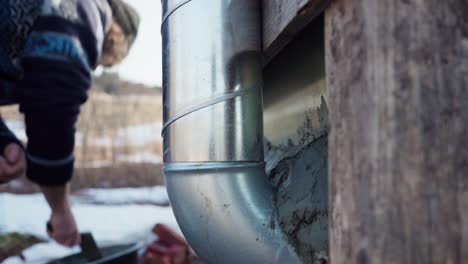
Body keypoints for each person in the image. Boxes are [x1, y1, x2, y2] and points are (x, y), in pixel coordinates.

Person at [0, 0, 139, 247]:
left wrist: (2, 140)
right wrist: (61, 210)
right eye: (104, 61)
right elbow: (52, 102)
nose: (94, 65)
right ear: (113, 38)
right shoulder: (84, 10)